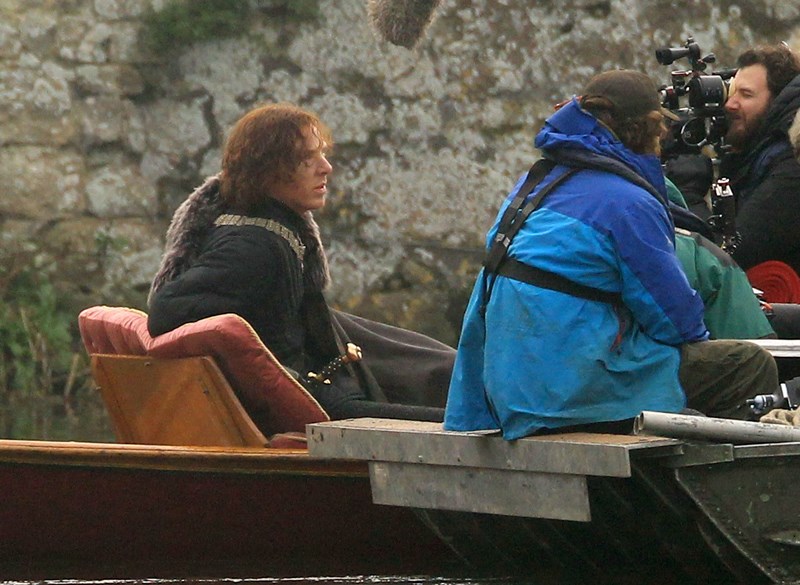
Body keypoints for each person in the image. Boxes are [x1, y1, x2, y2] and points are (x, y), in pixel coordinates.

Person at [444, 70, 779, 440]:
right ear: (643, 130)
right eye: (659, 129)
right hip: (569, 392)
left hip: (504, 390)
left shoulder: (534, 182)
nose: (664, 136)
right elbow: (675, 322)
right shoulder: (628, 202)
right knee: (747, 365)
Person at [147, 103, 453, 423]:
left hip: (324, 391)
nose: (326, 167)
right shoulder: (254, 247)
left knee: (441, 373)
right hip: (318, 409)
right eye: (307, 159)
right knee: (463, 421)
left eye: (322, 154)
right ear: (268, 169)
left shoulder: (267, 231)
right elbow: (166, 310)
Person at [668, 43, 800, 274]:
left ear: (777, 101)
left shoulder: (791, 166)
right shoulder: (757, 153)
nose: (729, 105)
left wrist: (689, 195)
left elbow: (730, 256)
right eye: (731, 92)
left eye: (746, 95)